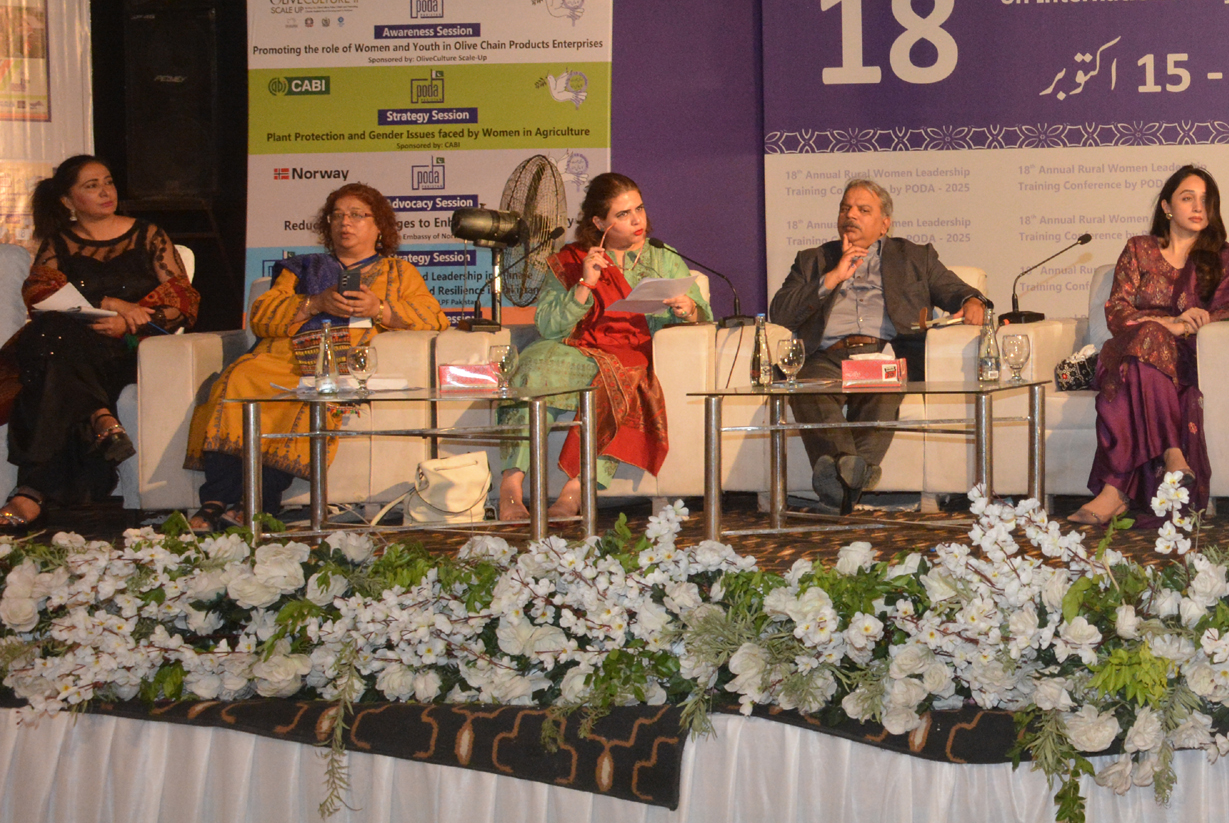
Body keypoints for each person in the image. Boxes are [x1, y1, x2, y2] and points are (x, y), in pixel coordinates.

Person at [185, 185, 449, 529]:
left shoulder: (398, 272)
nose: (345, 222)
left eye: (357, 215)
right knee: (239, 377)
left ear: (380, 227)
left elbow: (434, 318)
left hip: (340, 362)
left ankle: (257, 504)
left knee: (308, 394)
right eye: (337, 215)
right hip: (281, 356)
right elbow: (262, 316)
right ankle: (215, 500)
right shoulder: (303, 268)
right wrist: (315, 303)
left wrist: (378, 308)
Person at [767, 177, 989, 512]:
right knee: (805, 389)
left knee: (883, 395)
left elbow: (954, 289)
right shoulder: (813, 260)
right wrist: (831, 278)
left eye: (863, 209)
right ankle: (852, 480)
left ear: (885, 224)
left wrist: (973, 301)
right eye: (845, 208)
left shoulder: (914, 257)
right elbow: (781, 311)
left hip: (883, 355)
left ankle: (837, 489)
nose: (850, 215)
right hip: (825, 357)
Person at [0, 156, 197, 532]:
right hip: (73, 349)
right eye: (92, 186)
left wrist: (128, 321)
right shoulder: (59, 242)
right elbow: (40, 293)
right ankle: (99, 416)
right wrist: (108, 303)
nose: (106, 191)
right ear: (67, 200)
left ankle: (32, 491)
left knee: (49, 366)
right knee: (51, 334)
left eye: (108, 182)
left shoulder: (148, 234)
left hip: (129, 348)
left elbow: (182, 300)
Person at [495, 173, 708, 520]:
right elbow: (548, 326)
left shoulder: (663, 257)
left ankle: (574, 491)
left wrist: (688, 309)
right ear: (598, 223)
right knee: (530, 366)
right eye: (623, 214)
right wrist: (585, 284)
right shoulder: (572, 258)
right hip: (577, 350)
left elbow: (702, 313)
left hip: (631, 353)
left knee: (621, 377)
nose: (637, 220)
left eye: (639, 209)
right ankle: (511, 489)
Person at [1071, 166, 1229, 525]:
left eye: (1206, 200)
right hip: (1128, 351)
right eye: (1188, 198)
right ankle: (1173, 453)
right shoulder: (1138, 249)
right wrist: (1167, 324)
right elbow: (1118, 311)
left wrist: (1200, 320)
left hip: (1187, 357)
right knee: (1148, 338)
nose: (1198, 207)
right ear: (1167, 206)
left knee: (1141, 363)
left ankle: (1114, 492)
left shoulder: (1225, 258)